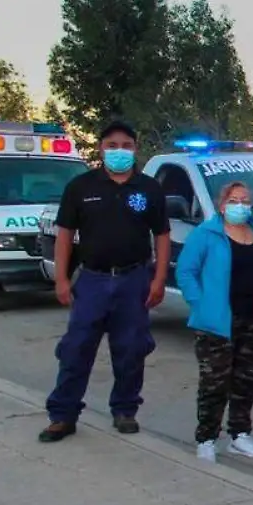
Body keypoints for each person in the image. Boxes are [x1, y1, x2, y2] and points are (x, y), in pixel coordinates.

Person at [40, 120, 170, 442]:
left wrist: (159, 279)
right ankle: (63, 415)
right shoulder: (81, 187)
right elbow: (65, 235)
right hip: (93, 281)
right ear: (100, 149)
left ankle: (125, 410)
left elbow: (163, 235)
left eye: (126, 146)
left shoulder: (148, 188)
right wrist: (60, 279)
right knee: (76, 349)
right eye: (112, 146)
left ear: (135, 149)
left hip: (134, 280)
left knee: (131, 350)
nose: (119, 152)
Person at [176, 181, 253, 462]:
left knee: (245, 381)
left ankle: (239, 434)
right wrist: (201, 305)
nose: (240, 205)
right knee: (214, 383)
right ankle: (206, 438)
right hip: (216, 323)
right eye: (234, 200)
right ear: (222, 204)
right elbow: (186, 272)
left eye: (245, 200)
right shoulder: (206, 234)